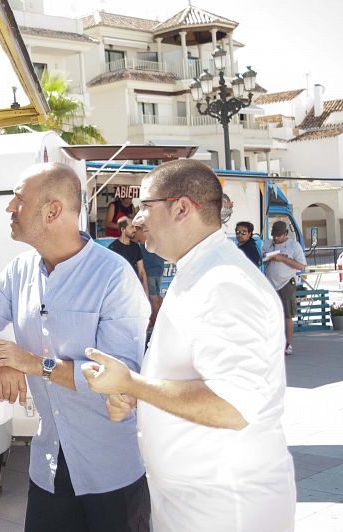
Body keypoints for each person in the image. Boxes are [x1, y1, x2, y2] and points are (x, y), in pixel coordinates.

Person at [81, 159, 296, 532]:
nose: (136, 220)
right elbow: (191, 375)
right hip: (197, 503)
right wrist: (138, 395)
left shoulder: (224, 282)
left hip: (226, 509)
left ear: (181, 208)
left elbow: (232, 405)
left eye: (145, 206)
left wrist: (131, 384)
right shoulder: (199, 270)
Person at [0, 163, 151, 531]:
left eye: (19, 197)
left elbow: (120, 378)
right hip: (47, 467)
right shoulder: (19, 270)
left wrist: (33, 363)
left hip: (110, 472)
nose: (9, 207)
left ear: (52, 211)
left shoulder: (114, 276)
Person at [262, 220, 306, 356]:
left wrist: (281, 258)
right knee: (272, 314)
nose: (276, 238)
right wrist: (269, 257)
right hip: (271, 283)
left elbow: (300, 266)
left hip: (287, 283)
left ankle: (288, 344)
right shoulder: (269, 244)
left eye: (279, 236)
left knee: (287, 315)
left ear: (286, 234)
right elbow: (262, 258)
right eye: (274, 235)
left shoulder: (294, 245)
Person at [133, 229, 164, 329]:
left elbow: (131, 241)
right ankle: (160, 320)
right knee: (157, 296)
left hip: (150, 271)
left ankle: (158, 324)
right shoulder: (156, 233)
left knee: (153, 298)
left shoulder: (141, 233)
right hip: (159, 269)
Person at [108, 217, 147, 291]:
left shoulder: (135, 246)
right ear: (123, 229)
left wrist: (145, 292)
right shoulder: (113, 248)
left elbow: (141, 271)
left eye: (135, 227)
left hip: (134, 289)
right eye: (132, 227)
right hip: (120, 290)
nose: (135, 230)